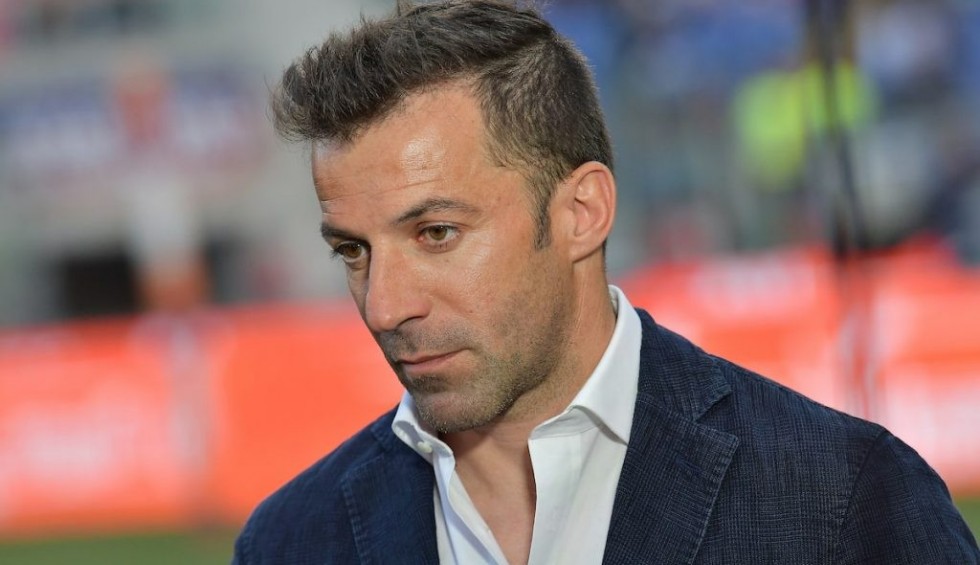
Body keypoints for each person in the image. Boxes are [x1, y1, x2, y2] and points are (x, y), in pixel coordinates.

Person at [233, 1, 980, 563]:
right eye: (353, 251)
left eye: (437, 234)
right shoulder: (290, 541)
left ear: (581, 213)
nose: (385, 305)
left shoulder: (845, 499)